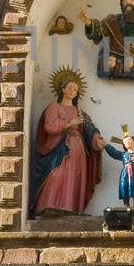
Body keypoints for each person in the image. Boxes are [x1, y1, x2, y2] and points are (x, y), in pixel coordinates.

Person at [31, 70, 106, 216]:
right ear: (63, 89)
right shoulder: (54, 107)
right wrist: (69, 123)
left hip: (78, 149)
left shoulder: (79, 112)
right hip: (58, 147)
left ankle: (70, 209)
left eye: (75, 90)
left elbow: (89, 128)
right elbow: (50, 126)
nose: (73, 91)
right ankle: (47, 207)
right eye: (70, 87)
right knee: (55, 175)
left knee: (75, 177)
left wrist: (96, 139)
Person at [104, 127, 134, 207]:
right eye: (125, 142)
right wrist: (106, 145)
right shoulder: (123, 155)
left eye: (129, 140)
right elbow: (114, 153)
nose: (127, 142)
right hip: (125, 174)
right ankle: (126, 206)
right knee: (124, 187)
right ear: (124, 145)